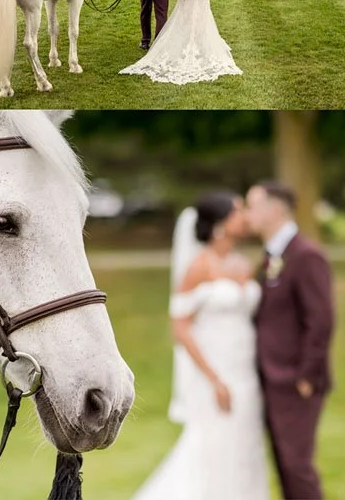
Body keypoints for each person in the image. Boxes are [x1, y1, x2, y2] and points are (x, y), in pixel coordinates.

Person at [133, 191, 271, 499]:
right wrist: (215, 379)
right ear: (221, 223)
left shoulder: (241, 264)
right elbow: (181, 329)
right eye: (238, 211)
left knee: (245, 447)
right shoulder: (199, 268)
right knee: (214, 447)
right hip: (215, 375)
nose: (245, 216)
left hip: (246, 372)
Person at [246, 181, 335, 499]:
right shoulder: (271, 256)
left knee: (298, 467)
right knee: (284, 466)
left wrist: (307, 376)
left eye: (252, 206)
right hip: (270, 378)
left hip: (295, 381)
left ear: (276, 209)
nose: (247, 214)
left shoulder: (306, 255)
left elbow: (321, 320)